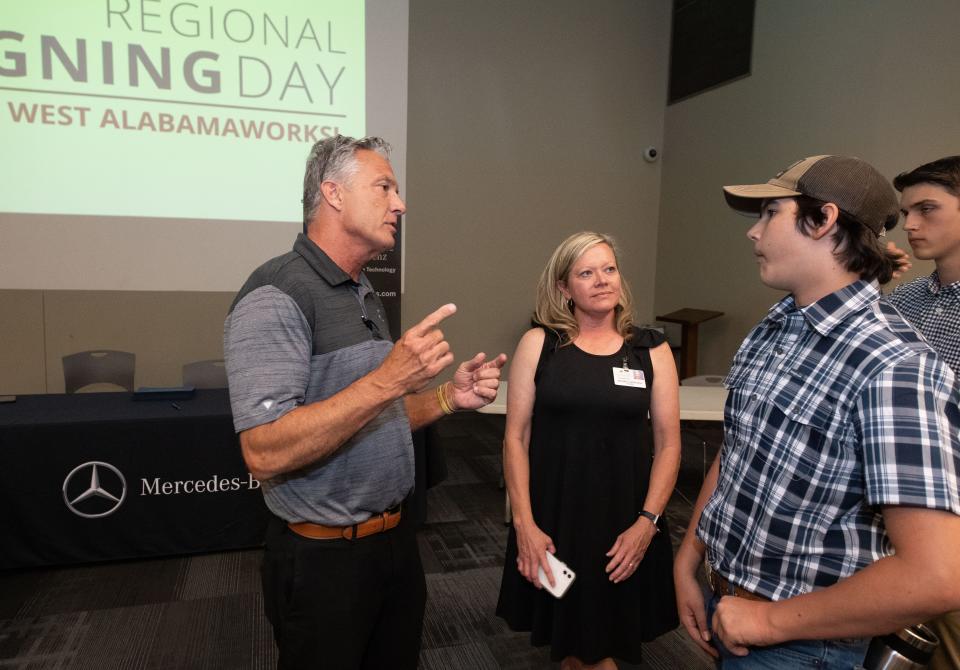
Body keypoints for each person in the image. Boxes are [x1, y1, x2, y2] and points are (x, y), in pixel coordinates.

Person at [223, 135, 506, 669]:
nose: (399, 204)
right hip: (322, 561)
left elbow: (379, 416)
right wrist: (387, 380)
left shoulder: (362, 290)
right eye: (384, 187)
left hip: (394, 546)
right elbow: (263, 452)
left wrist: (447, 398)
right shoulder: (275, 296)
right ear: (332, 193)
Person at [673, 155, 960, 668]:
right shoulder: (777, 325)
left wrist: (767, 622)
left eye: (770, 214)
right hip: (730, 600)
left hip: (800, 640)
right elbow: (738, 453)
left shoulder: (893, 365)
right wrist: (690, 560)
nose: (753, 233)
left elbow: (936, 576)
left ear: (824, 220)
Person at [496, 231, 681, 669]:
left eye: (609, 269)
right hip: (556, 520)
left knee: (605, 644)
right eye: (586, 273)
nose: (601, 281)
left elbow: (670, 443)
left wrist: (647, 523)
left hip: (626, 522)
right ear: (564, 288)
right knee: (577, 647)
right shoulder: (540, 344)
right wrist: (524, 524)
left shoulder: (649, 349)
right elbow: (515, 438)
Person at [889, 156, 960, 670]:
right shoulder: (902, 301)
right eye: (905, 212)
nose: (910, 225)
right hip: (897, 516)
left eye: (927, 209)